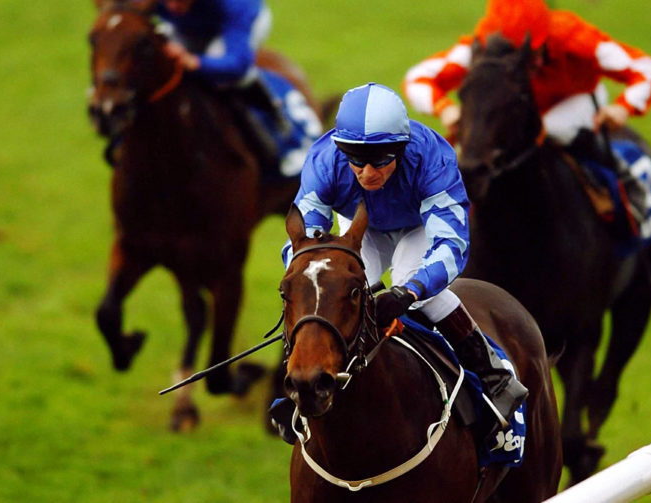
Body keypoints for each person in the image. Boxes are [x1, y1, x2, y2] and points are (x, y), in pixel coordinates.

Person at [281, 83, 527, 431]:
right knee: (330, 290)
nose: (367, 172)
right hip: (359, 227)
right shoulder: (323, 162)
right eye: (355, 159)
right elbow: (302, 247)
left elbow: (451, 245)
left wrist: (408, 291)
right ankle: (299, 383)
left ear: (401, 147)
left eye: (381, 160)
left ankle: (492, 374)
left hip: (418, 226)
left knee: (413, 287)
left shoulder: (432, 159)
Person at [402, 0, 651, 222]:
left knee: (551, 129)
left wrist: (623, 107)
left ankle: (623, 183)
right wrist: (445, 108)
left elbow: (646, 68)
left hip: (573, 100)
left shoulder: (572, 36)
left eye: (527, 57)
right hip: (514, 108)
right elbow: (418, 77)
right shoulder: (484, 43)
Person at [156, 0, 287, 164]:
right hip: (187, 23)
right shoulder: (169, 6)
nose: (172, 6)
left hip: (237, 24)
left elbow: (237, 64)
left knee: (224, 79)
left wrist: (196, 62)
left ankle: (271, 122)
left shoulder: (235, 5)